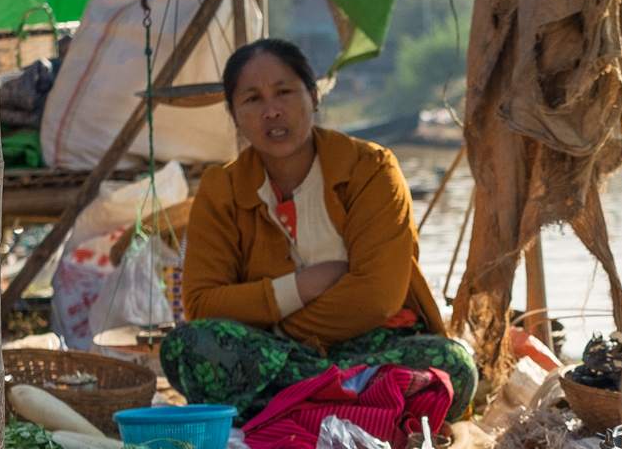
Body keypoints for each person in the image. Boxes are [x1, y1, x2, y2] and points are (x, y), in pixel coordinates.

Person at [162, 38, 477, 421]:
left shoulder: (372, 170)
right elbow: (202, 305)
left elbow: (378, 296)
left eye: (284, 92)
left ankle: (291, 404)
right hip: (276, 352)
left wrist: (282, 331)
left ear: (313, 97)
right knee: (187, 347)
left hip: (367, 346)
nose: (272, 111)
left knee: (453, 365)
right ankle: (355, 404)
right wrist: (304, 285)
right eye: (252, 100)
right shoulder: (220, 190)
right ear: (234, 114)